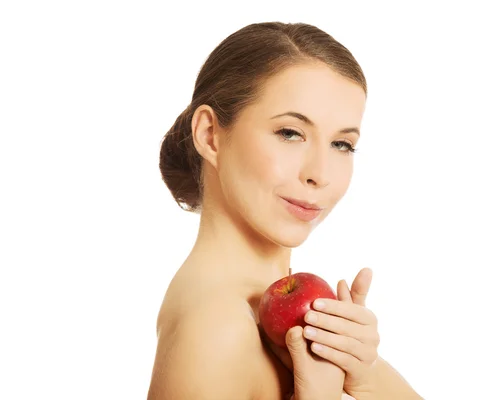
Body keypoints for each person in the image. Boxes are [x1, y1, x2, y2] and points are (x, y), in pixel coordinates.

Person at [148, 21, 422, 400]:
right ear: (210, 135)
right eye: (290, 133)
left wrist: (365, 373)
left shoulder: (261, 309)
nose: (319, 175)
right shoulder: (215, 330)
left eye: (342, 144)